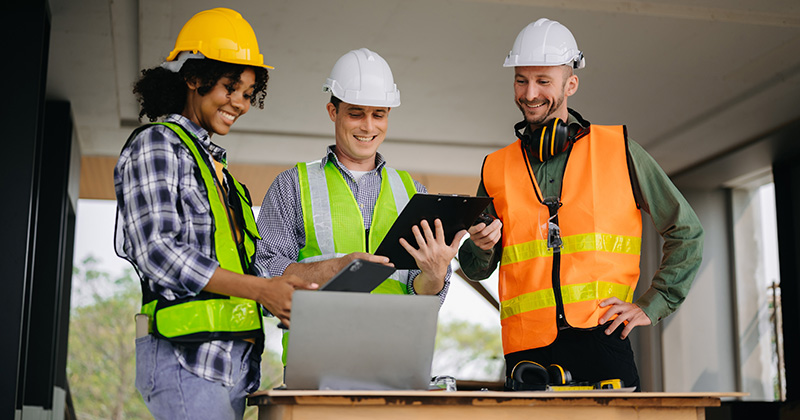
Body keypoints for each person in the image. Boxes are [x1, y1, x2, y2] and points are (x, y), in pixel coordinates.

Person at [458, 18, 704, 391]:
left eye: (544, 81)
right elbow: (475, 270)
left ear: (570, 84)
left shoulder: (619, 150)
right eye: (521, 79)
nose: (530, 92)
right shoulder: (496, 168)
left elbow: (686, 232)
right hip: (527, 349)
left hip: (602, 339)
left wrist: (652, 305)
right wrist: (479, 247)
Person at [114, 8, 316, 419]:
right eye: (230, 87)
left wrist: (329, 270)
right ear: (194, 78)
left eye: (247, 93)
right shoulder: (158, 145)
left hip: (231, 365)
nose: (239, 103)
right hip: (186, 358)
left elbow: (250, 273)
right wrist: (262, 292)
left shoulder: (222, 175)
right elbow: (158, 252)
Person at [254, 48, 465, 362]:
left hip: (396, 362)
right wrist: (335, 269)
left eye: (378, 114)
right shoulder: (293, 186)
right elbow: (264, 277)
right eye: (356, 113)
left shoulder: (412, 192)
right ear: (332, 111)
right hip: (316, 361)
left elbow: (420, 292)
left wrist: (435, 275)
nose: (368, 126)